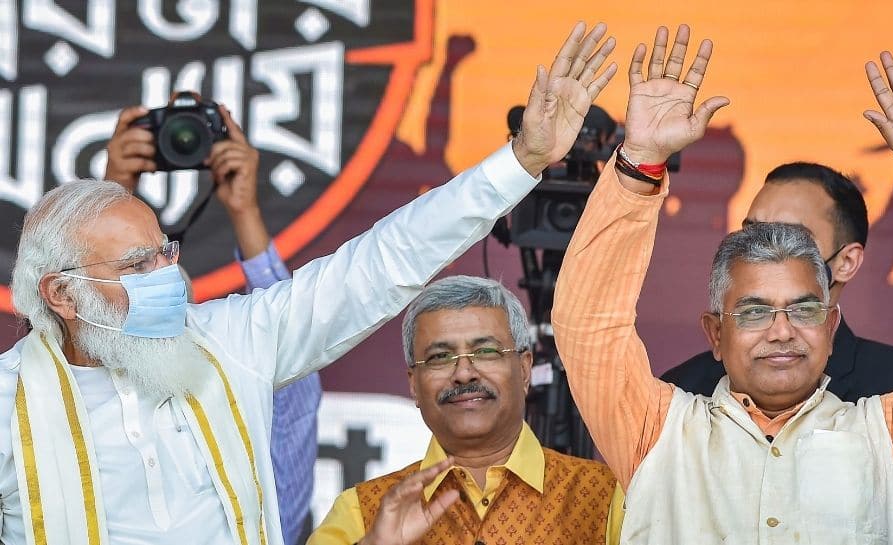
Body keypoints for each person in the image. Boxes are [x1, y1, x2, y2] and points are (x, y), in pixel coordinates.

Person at [0, 21, 618, 545]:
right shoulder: (8, 405)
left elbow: (383, 261)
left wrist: (522, 161)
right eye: (137, 266)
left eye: (166, 254)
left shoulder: (229, 342)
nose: (168, 276)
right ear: (61, 293)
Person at [551, 24, 893, 542]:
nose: (781, 331)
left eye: (802, 310)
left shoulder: (892, 437)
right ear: (714, 334)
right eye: (752, 312)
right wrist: (640, 161)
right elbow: (588, 325)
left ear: (831, 324)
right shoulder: (655, 431)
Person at [660, 160, 893, 543]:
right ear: (715, 331)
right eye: (752, 233)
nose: (767, 250)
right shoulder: (677, 401)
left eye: (792, 236)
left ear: (846, 262)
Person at [104, 103, 322, 545]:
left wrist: (245, 212)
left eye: (171, 310)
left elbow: (293, 362)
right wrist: (111, 199)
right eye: (138, 302)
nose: (157, 327)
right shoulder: (69, 410)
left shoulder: (246, 416)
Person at [308, 275, 624, 545]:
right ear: (414, 385)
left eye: (485, 351)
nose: (463, 373)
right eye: (439, 357)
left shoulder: (607, 499)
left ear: (524, 370)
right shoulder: (362, 512)